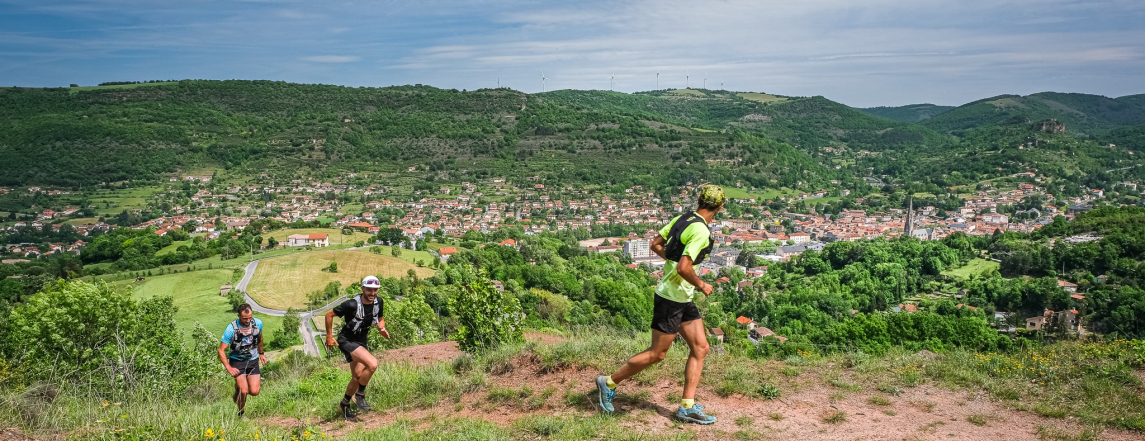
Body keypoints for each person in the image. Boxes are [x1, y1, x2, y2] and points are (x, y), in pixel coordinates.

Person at [595, 184, 725, 425]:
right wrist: (701, 285)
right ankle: (608, 382)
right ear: (720, 206)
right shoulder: (701, 232)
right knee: (657, 354)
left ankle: (687, 407)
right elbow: (685, 268)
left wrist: (674, 264)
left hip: (681, 297)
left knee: (701, 348)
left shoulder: (682, 218)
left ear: (699, 199)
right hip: (671, 299)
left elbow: (655, 245)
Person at [326, 275, 390, 420]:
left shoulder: (378, 302)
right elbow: (329, 315)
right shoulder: (351, 304)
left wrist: (381, 328)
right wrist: (329, 336)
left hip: (361, 340)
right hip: (347, 340)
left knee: (357, 377)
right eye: (369, 290)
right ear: (362, 289)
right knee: (372, 364)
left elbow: (380, 319)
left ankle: (345, 404)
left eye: (375, 290)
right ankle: (360, 395)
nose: (372, 293)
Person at [217, 303, 266, 417]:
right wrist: (228, 367)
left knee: (254, 392)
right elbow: (221, 350)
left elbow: (260, 338)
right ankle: (241, 414)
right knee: (244, 391)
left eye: (250, 318)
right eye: (245, 318)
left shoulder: (257, 323)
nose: (248, 321)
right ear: (238, 315)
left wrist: (261, 354)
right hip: (237, 361)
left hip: (253, 360)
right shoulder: (231, 329)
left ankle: (238, 388)